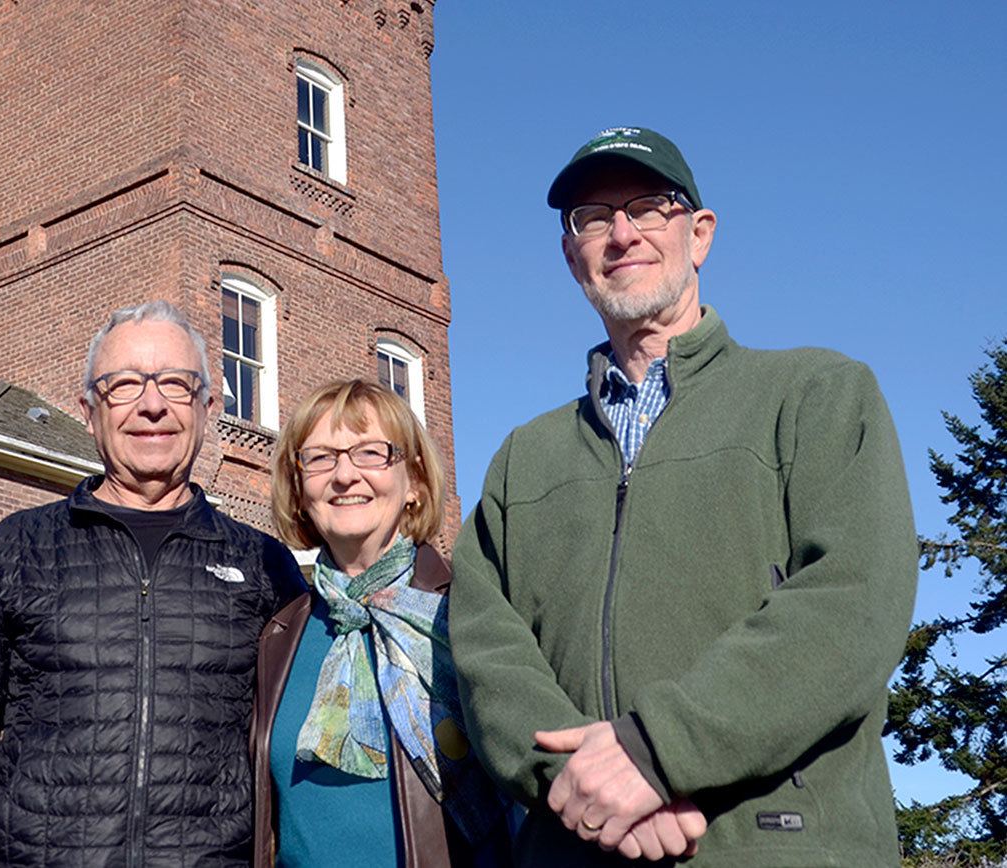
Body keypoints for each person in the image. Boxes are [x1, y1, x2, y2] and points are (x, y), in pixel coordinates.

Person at [450, 127, 917, 866]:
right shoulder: (521, 460)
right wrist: (582, 782)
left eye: (648, 206)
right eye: (592, 217)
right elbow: (483, 646)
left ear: (699, 235)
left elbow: (854, 600)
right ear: (571, 255)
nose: (621, 232)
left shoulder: (817, 394)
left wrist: (655, 752)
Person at [0, 300, 304, 866]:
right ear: (89, 411)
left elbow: (298, 747)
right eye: (124, 385)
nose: (152, 405)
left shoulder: (264, 564)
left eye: (175, 383)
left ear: (207, 406)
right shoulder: (20, 547)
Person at [253, 379, 509, 867]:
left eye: (371, 453)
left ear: (413, 482)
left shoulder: (468, 615)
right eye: (321, 457)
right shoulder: (279, 638)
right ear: (299, 489)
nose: (345, 475)